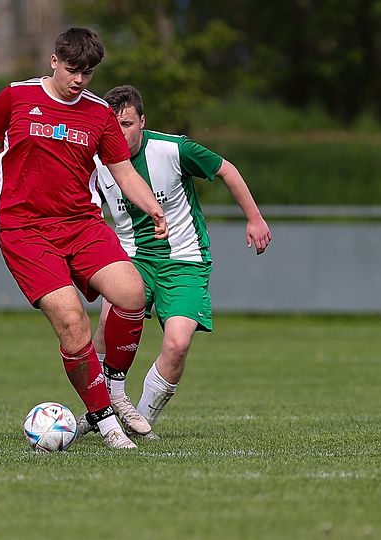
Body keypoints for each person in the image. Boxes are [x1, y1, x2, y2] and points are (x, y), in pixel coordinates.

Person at [0, 29, 168, 449]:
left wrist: (154, 209)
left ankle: (114, 389)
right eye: (72, 70)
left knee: (132, 293)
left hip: (81, 224)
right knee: (72, 321)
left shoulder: (99, 113)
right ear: (54, 61)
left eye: (88, 73)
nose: (79, 80)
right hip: (25, 230)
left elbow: (124, 172)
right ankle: (105, 421)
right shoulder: (17, 96)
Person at [80, 85, 271, 438]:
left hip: (184, 259)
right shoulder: (96, 162)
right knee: (105, 328)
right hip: (131, 259)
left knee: (177, 344)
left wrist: (255, 218)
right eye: (113, 125)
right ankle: (101, 411)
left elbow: (226, 169)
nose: (120, 133)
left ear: (142, 121)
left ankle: (138, 422)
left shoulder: (173, 149)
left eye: (126, 124)